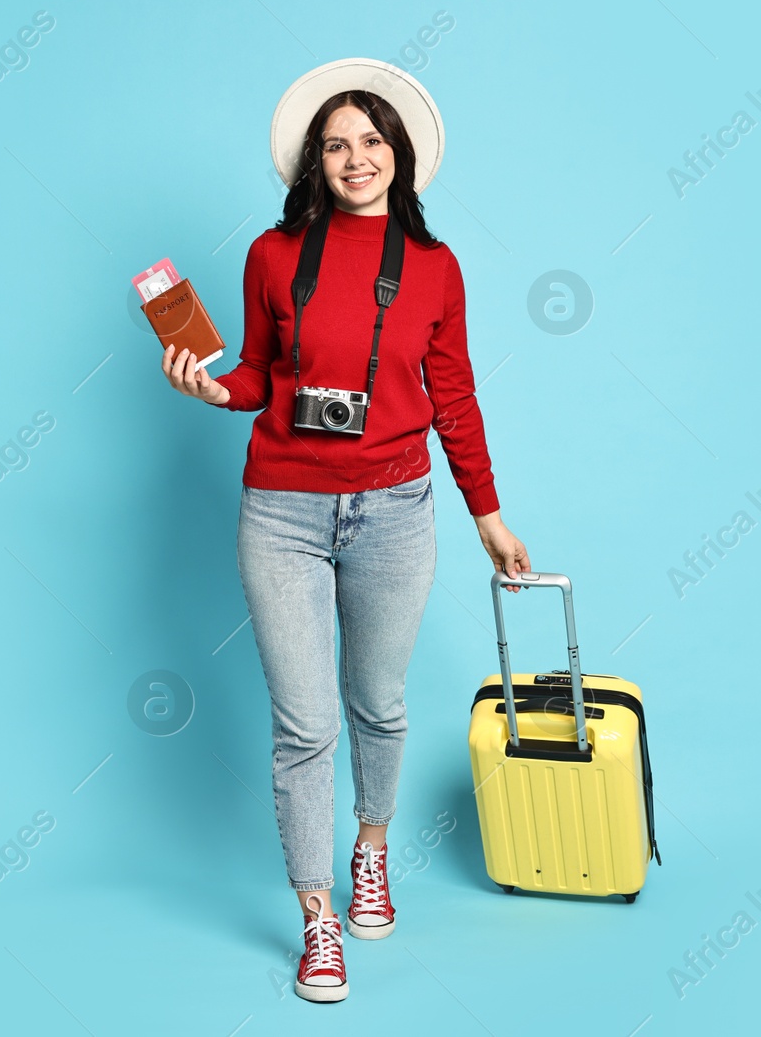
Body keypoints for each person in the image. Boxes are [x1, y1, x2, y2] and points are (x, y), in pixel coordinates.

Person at [159, 58, 528, 1003]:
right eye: (336, 145)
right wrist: (209, 386)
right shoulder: (272, 255)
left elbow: (454, 396)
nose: (355, 158)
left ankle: (372, 851)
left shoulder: (437, 269)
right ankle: (319, 918)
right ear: (312, 165)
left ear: (398, 156)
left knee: (379, 702)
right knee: (305, 723)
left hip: (397, 510)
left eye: (370, 141)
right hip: (281, 509)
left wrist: (489, 516)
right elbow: (253, 378)